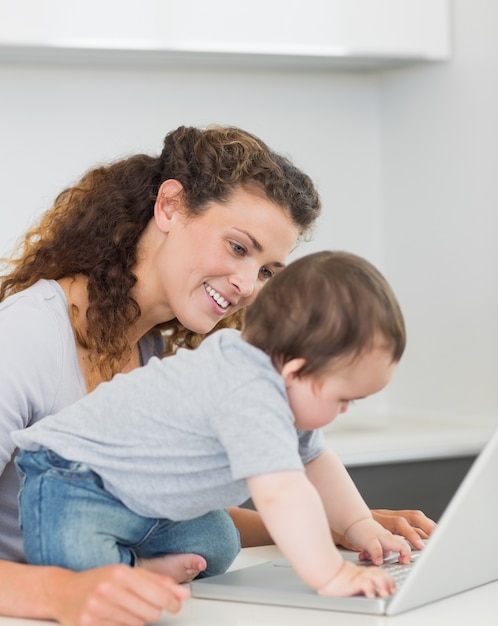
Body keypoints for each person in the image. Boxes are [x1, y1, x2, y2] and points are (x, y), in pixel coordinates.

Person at [0, 124, 435, 625]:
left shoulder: (156, 351)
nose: (250, 285)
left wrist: (333, 526)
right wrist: (58, 593)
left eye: (269, 270)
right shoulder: (27, 338)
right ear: (170, 206)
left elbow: (156, 505)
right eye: (237, 247)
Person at [14, 250, 412, 599]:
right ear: (298, 371)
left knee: (220, 542)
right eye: (343, 399)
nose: (343, 411)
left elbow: (317, 460)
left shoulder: (285, 388)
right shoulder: (246, 388)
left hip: (147, 503)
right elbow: (282, 494)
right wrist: (330, 573)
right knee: (78, 566)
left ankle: (132, 564)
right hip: (73, 477)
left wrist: (358, 523)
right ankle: (134, 571)